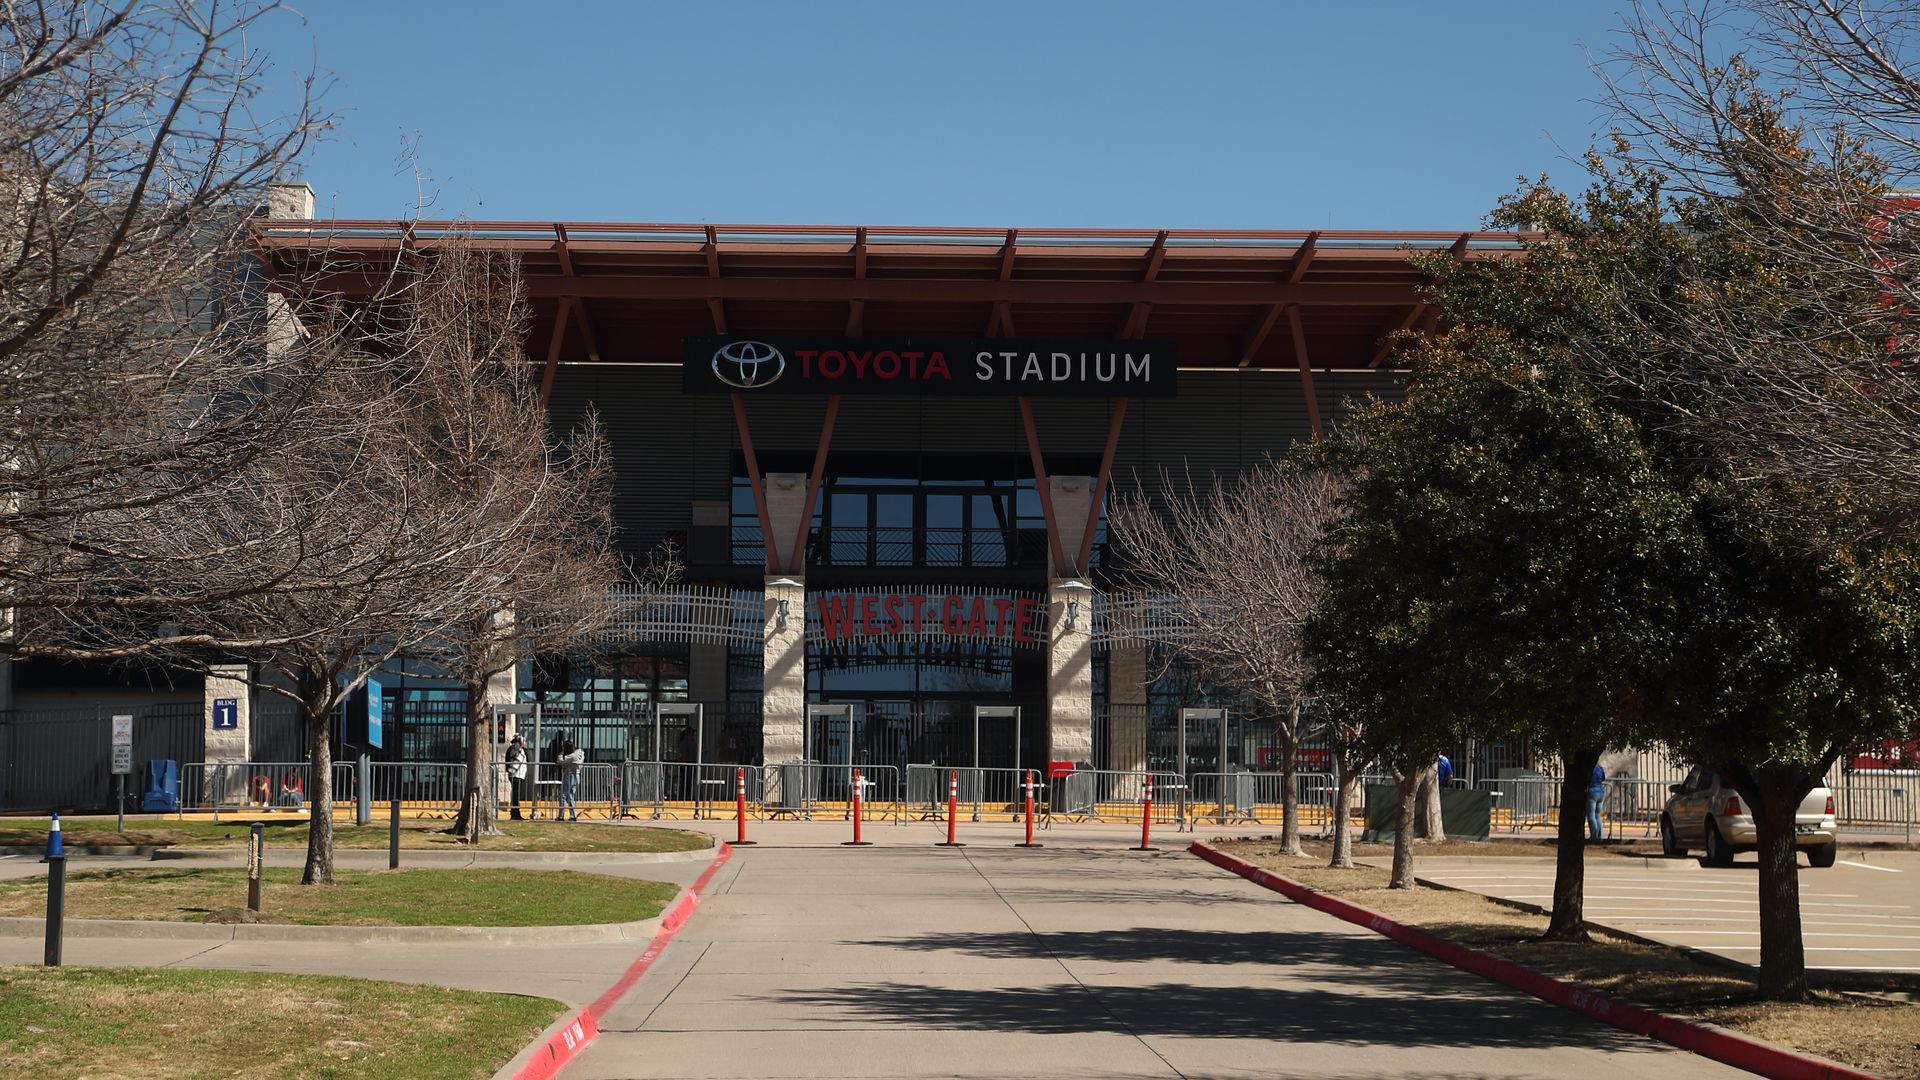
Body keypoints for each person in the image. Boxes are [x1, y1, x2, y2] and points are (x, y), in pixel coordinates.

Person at [557, 739, 585, 822]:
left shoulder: (572, 756)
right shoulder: (579, 754)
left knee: (562, 796)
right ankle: (573, 816)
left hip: (569, 776)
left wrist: (561, 752)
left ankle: (561, 816)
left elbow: (560, 761)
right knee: (570, 796)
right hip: (576, 776)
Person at [505, 734, 528, 820]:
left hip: (519, 775)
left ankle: (515, 813)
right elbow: (519, 748)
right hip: (515, 775)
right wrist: (520, 739)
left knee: (517, 795)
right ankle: (515, 814)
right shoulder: (515, 748)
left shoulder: (517, 749)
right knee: (516, 795)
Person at [1587, 761, 1607, 842]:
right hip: (1600, 791)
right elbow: (1603, 778)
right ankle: (1600, 836)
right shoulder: (1600, 768)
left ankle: (1594, 836)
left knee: (1591, 815)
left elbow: (1587, 779)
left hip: (1592, 791)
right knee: (1597, 815)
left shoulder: (1589, 768)